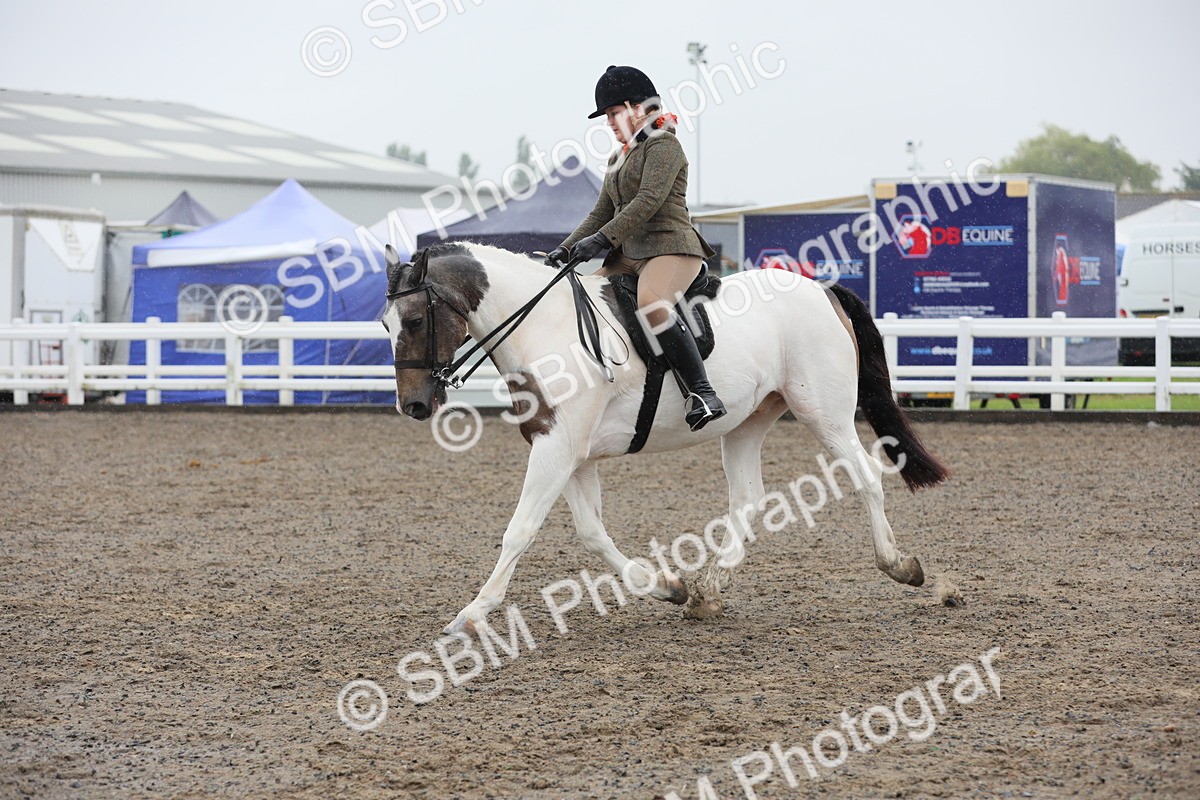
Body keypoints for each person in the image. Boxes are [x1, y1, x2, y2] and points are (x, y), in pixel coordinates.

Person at [546, 65, 725, 431]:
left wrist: (601, 240)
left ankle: (703, 392)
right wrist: (564, 250)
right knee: (584, 297)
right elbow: (601, 211)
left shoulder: (665, 145)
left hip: (670, 247)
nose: (609, 123)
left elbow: (647, 201)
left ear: (637, 107)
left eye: (613, 113)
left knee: (652, 304)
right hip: (628, 255)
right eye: (608, 117)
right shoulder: (618, 157)